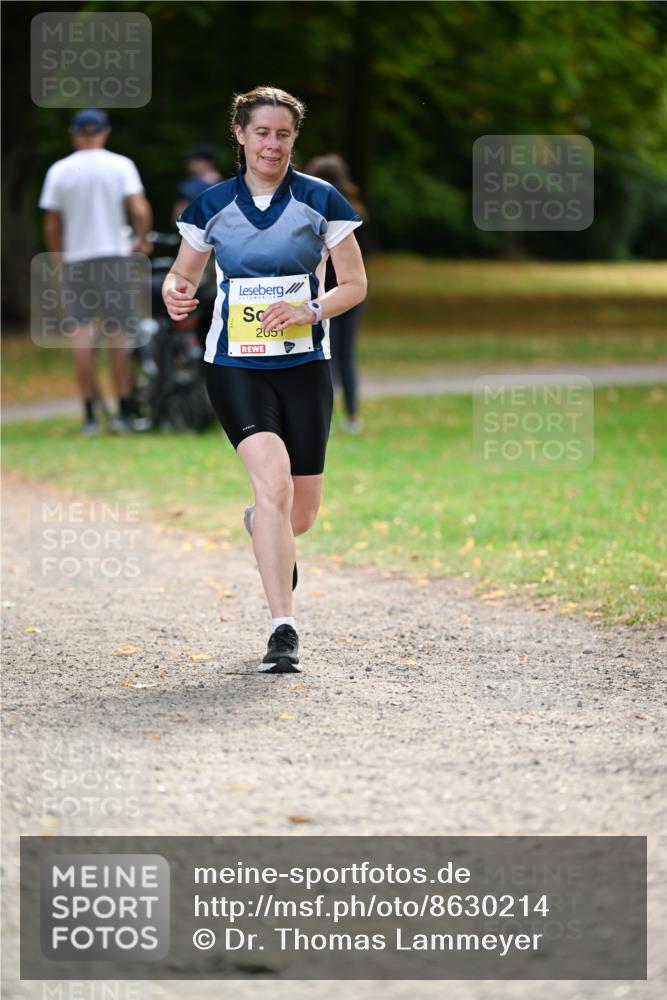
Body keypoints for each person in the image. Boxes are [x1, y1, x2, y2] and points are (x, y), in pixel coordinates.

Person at [163, 85, 367, 674]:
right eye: (262, 133)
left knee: (298, 513)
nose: (271, 144)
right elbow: (182, 275)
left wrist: (311, 310)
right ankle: (283, 629)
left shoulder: (320, 200)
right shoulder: (211, 205)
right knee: (271, 485)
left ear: (293, 139)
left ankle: (264, 529)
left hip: (305, 366)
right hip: (235, 366)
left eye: (282, 134)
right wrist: (175, 293)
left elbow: (354, 284)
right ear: (241, 135)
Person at [39, 108, 153, 435]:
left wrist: (59, 259)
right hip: (114, 257)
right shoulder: (120, 165)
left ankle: (90, 415)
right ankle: (123, 412)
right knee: (119, 335)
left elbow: (52, 224)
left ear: (74, 133)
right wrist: (140, 241)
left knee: (82, 338)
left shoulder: (59, 171)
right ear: (105, 132)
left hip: (77, 260)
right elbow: (140, 209)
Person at [305, 155, 368, 432]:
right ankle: (352, 415)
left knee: (323, 353)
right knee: (346, 354)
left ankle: (323, 416)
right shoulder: (356, 211)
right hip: (351, 291)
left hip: (320, 292)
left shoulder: (309, 210)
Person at [171, 144, 223, 225]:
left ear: (205, 162)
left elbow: (178, 216)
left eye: (191, 161)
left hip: (194, 232)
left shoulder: (190, 186)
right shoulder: (227, 185)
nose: (188, 165)